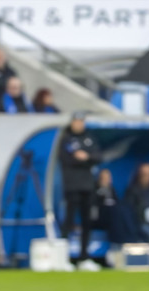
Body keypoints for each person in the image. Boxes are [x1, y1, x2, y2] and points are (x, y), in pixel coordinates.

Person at [58, 112, 102, 270]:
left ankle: (84, 258)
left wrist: (86, 157)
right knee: (68, 222)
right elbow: (65, 159)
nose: (79, 124)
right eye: (77, 121)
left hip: (87, 186)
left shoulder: (89, 138)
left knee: (87, 222)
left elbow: (98, 156)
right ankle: (62, 258)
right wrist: (82, 160)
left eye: (82, 121)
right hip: (71, 186)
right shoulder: (66, 138)